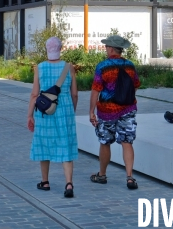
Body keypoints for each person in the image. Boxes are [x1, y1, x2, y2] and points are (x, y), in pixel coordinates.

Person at [27, 37, 79, 198]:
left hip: (44, 111)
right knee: (66, 145)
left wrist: (29, 115)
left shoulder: (40, 68)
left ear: (46, 49)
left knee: (44, 144)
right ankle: (69, 183)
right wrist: (72, 110)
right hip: (65, 111)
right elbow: (75, 94)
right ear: (60, 49)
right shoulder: (68, 67)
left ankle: (45, 181)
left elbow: (35, 94)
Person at [89, 35, 141, 190]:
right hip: (128, 109)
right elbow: (136, 85)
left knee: (105, 142)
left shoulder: (103, 66)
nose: (105, 49)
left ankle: (102, 175)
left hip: (106, 111)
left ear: (111, 48)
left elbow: (95, 90)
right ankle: (130, 177)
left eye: (106, 47)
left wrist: (91, 111)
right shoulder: (130, 66)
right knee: (127, 142)